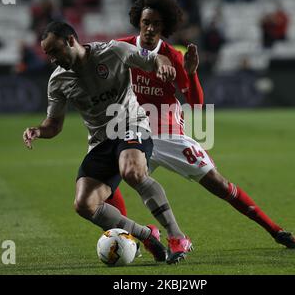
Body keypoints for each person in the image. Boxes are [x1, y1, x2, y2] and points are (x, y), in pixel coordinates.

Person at [108, 0, 295, 255]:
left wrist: (191, 73)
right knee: (103, 186)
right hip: (132, 131)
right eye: (146, 22)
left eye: (156, 23)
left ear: (165, 26)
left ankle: (276, 231)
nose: (150, 28)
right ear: (138, 22)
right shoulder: (121, 48)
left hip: (166, 132)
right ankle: (143, 235)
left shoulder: (174, 56)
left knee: (218, 184)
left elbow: (196, 103)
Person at [22, 21, 191, 264]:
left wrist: (164, 65)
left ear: (70, 40)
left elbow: (156, 59)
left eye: (54, 51)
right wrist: (38, 131)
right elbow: (54, 125)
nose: (51, 58)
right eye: (47, 54)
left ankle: (176, 236)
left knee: (131, 171)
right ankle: (146, 235)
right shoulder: (58, 81)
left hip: (133, 126)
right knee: (84, 204)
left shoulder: (113, 51)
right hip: (101, 143)